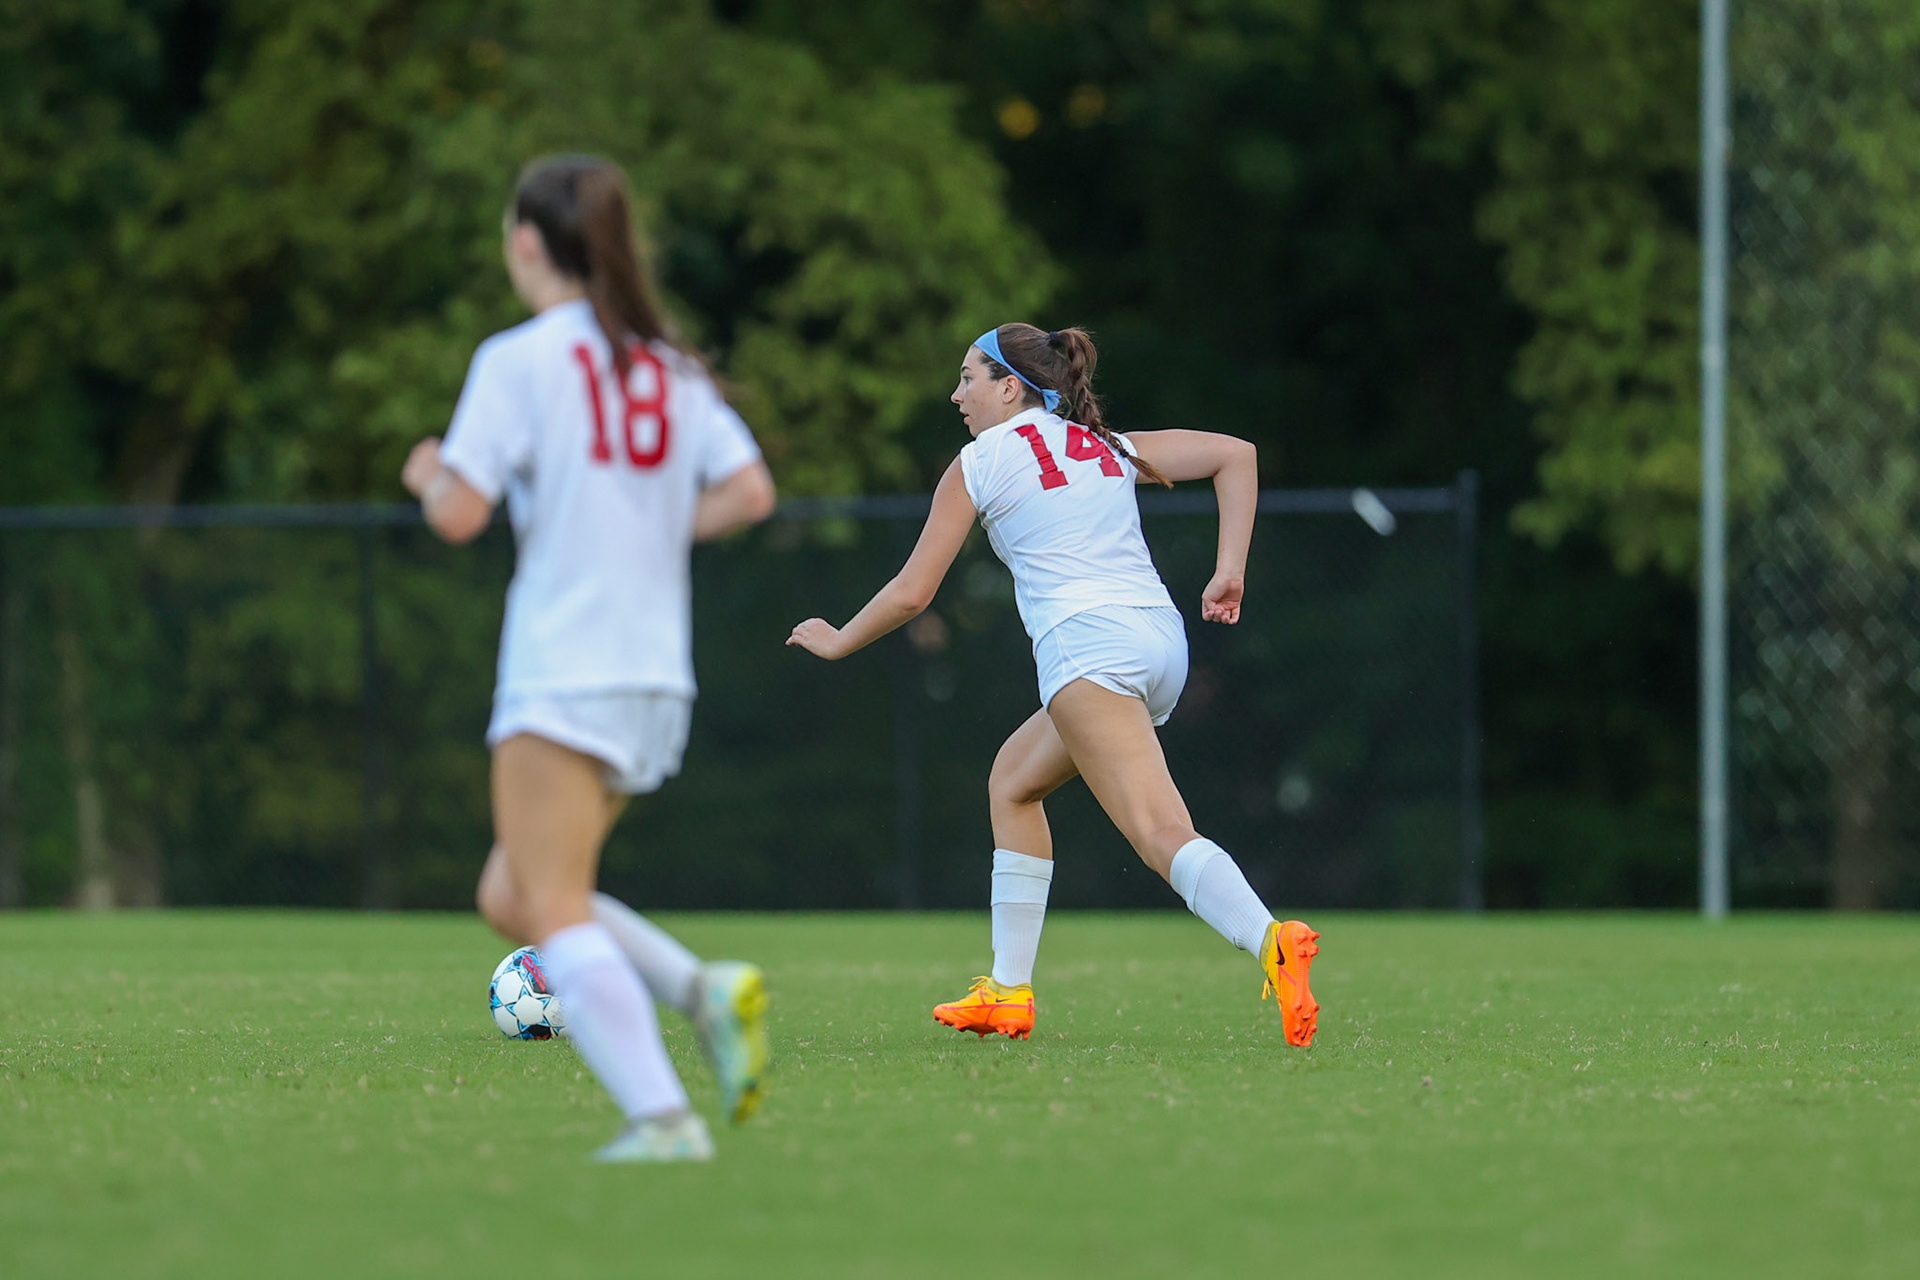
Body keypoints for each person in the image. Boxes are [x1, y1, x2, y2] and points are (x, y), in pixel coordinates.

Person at [786, 325, 1320, 1047]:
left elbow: (913, 593)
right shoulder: (1102, 443)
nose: (957, 394)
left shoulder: (978, 461)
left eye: (969, 377)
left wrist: (840, 639)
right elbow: (1237, 455)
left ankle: (1271, 940)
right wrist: (1230, 570)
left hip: (1088, 649)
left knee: (1160, 832)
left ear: (1010, 387)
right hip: (1159, 644)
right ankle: (1008, 992)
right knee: (1012, 782)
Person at [402, 154, 779, 1162]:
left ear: (528, 241)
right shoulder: (670, 366)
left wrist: (429, 472)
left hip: (564, 662)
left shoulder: (518, 359)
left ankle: (664, 1117)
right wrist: (647, 534)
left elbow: (460, 513)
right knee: (513, 893)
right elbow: (750, 492)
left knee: (552, 902)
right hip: (655, 672)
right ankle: (698, 988)